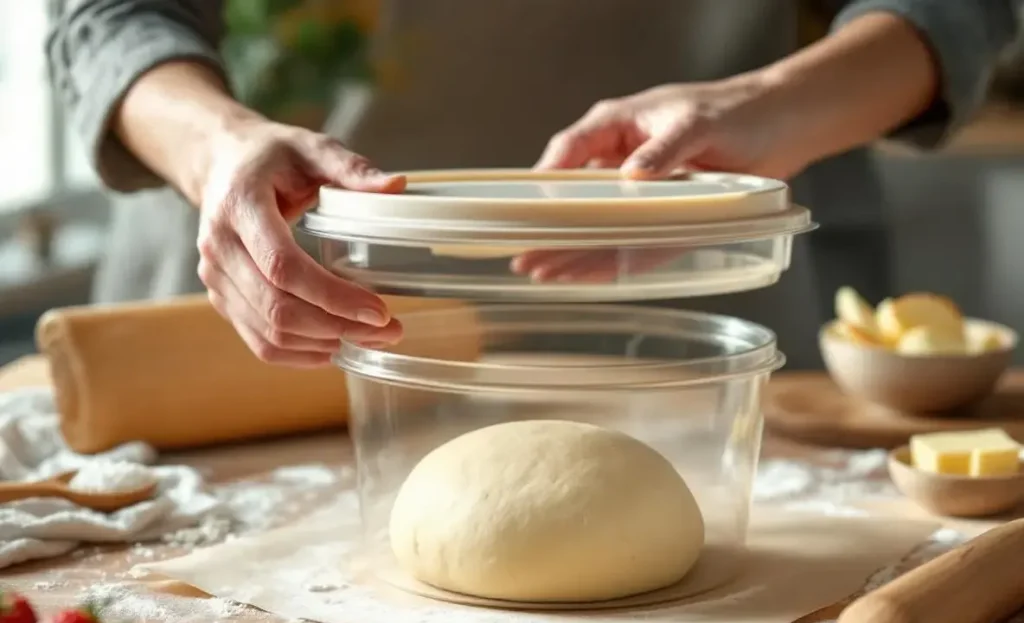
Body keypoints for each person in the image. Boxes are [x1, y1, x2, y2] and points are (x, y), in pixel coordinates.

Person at [48, 1, 1018, 368]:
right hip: (268, 306)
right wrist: (217, 146)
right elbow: (105, 14)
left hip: (698, 300)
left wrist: (777, 103)